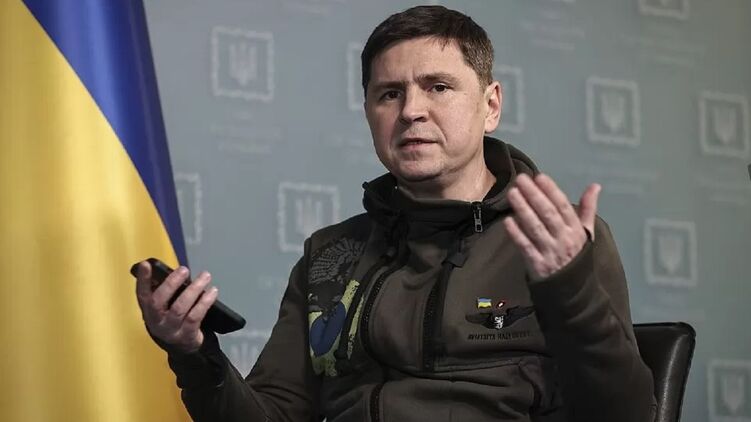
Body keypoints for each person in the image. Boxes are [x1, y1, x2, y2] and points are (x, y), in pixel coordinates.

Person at [135, 5, 656, 422]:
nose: (411, 111)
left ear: (491, 105)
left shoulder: (559, 239)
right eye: (389, 94)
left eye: (438, 87)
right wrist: (193, 352)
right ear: (368, 112)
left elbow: (625, 415)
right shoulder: (329, 255)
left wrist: (569, 288)